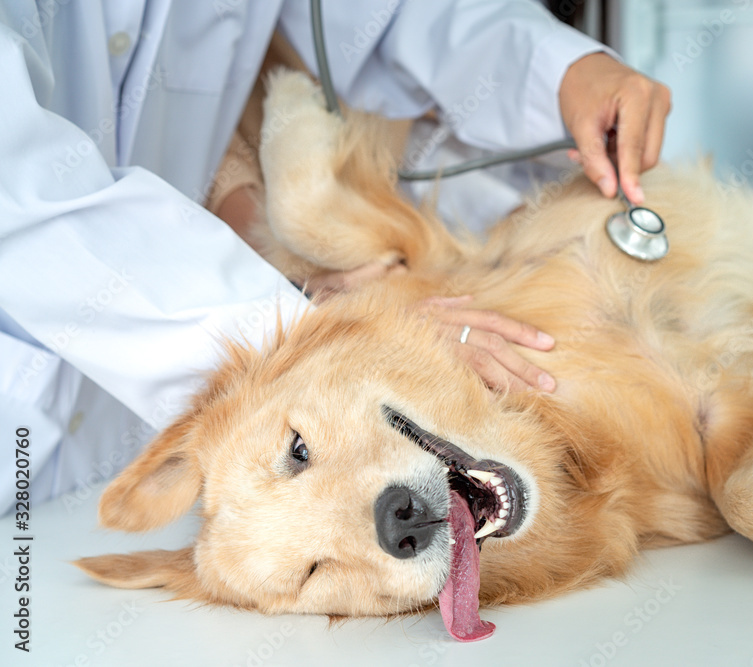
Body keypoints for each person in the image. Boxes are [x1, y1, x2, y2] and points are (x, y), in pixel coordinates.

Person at [0, 0, 671, 514]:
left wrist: (559, 69)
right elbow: (20, 190)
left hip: (180, 452)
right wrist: (318, 334)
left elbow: (390, 14)